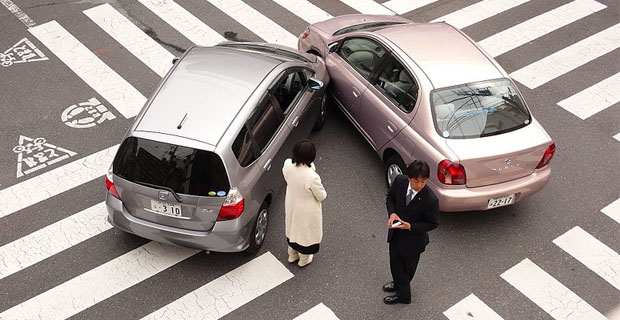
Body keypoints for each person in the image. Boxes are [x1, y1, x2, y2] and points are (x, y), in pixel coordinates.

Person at [383, 160, 439, 304]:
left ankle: (403, 296)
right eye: (416, 181)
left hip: (413, 241)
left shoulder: (431, 200)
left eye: (423, 181)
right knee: (395, 263)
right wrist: (392, 214)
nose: (420, 185)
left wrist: (411, 227)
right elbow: (390, 198)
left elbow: (432, 223)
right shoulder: (400, 181)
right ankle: (398, 283)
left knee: (406, 270)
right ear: (409, 177)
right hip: (396, 234)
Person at [282, 140, 327, 267]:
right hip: (307, 209)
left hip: (292, 202)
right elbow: (322, 196)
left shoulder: (287, 165)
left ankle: (292, 255)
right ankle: (304, 259)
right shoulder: (312, 176)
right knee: (305, 234)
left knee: (292, 228)